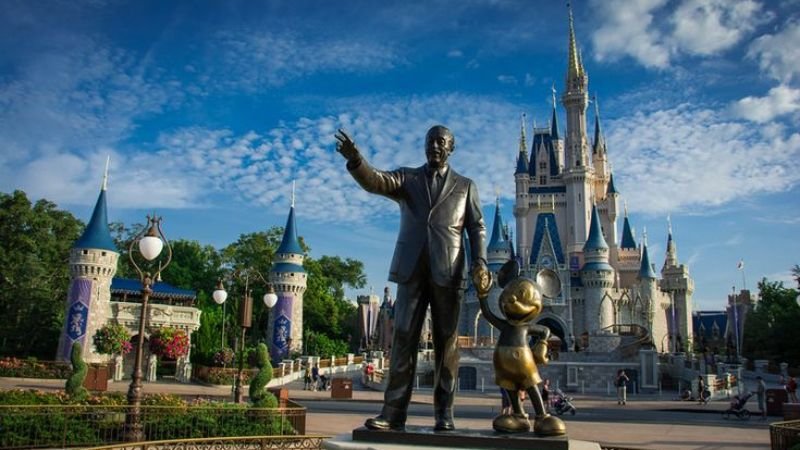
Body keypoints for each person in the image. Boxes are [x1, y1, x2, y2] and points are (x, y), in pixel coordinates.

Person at [336, 126, 489, 432]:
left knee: (447, 346)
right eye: (430, 141)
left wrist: (481, 261)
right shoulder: (408, 178)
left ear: (451, 149)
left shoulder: (466, 186)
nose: (435, 146)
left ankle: (444, 414)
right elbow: (377, 181)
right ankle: (393, 413)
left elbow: (477, 228)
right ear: (423, 146)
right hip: (411, 271)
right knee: (404, 339)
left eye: (441, 142)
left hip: (449, 270)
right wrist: (357, 161)